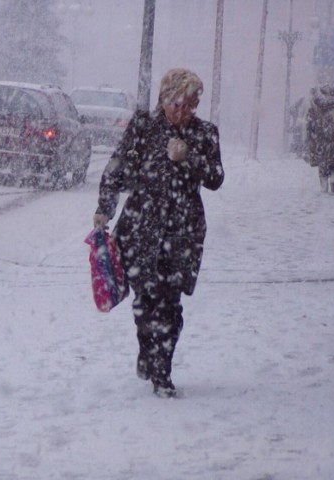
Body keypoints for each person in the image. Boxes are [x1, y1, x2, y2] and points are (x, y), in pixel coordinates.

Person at [92, 69, 224, 398]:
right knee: (145, 300)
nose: (182, 112)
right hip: (141, 228)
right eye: (176, 103)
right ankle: (147, 351)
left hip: (183, 231)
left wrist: (189, 157)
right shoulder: (144, 128)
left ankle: (162, 371)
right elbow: (116, 168)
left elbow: (216, 177)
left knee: (170, 304)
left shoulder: (205, 133)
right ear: (164, 100)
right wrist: (104, 209)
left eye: (190, 105)